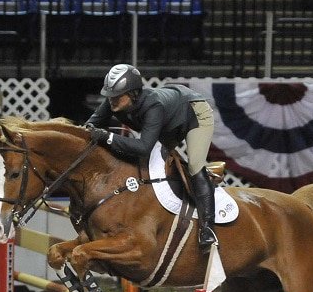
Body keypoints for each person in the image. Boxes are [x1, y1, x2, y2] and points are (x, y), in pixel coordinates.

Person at [84, 64, 218, 253]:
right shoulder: (112, 102)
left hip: (194, 114)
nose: (111, 100)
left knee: (195, 166)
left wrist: (109, 137)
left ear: (133, 94)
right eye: (110, 95)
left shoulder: (153, 105)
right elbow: (89, 127)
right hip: (169, 121)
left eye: (117, 96)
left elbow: (143, 147)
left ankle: (208, 230)